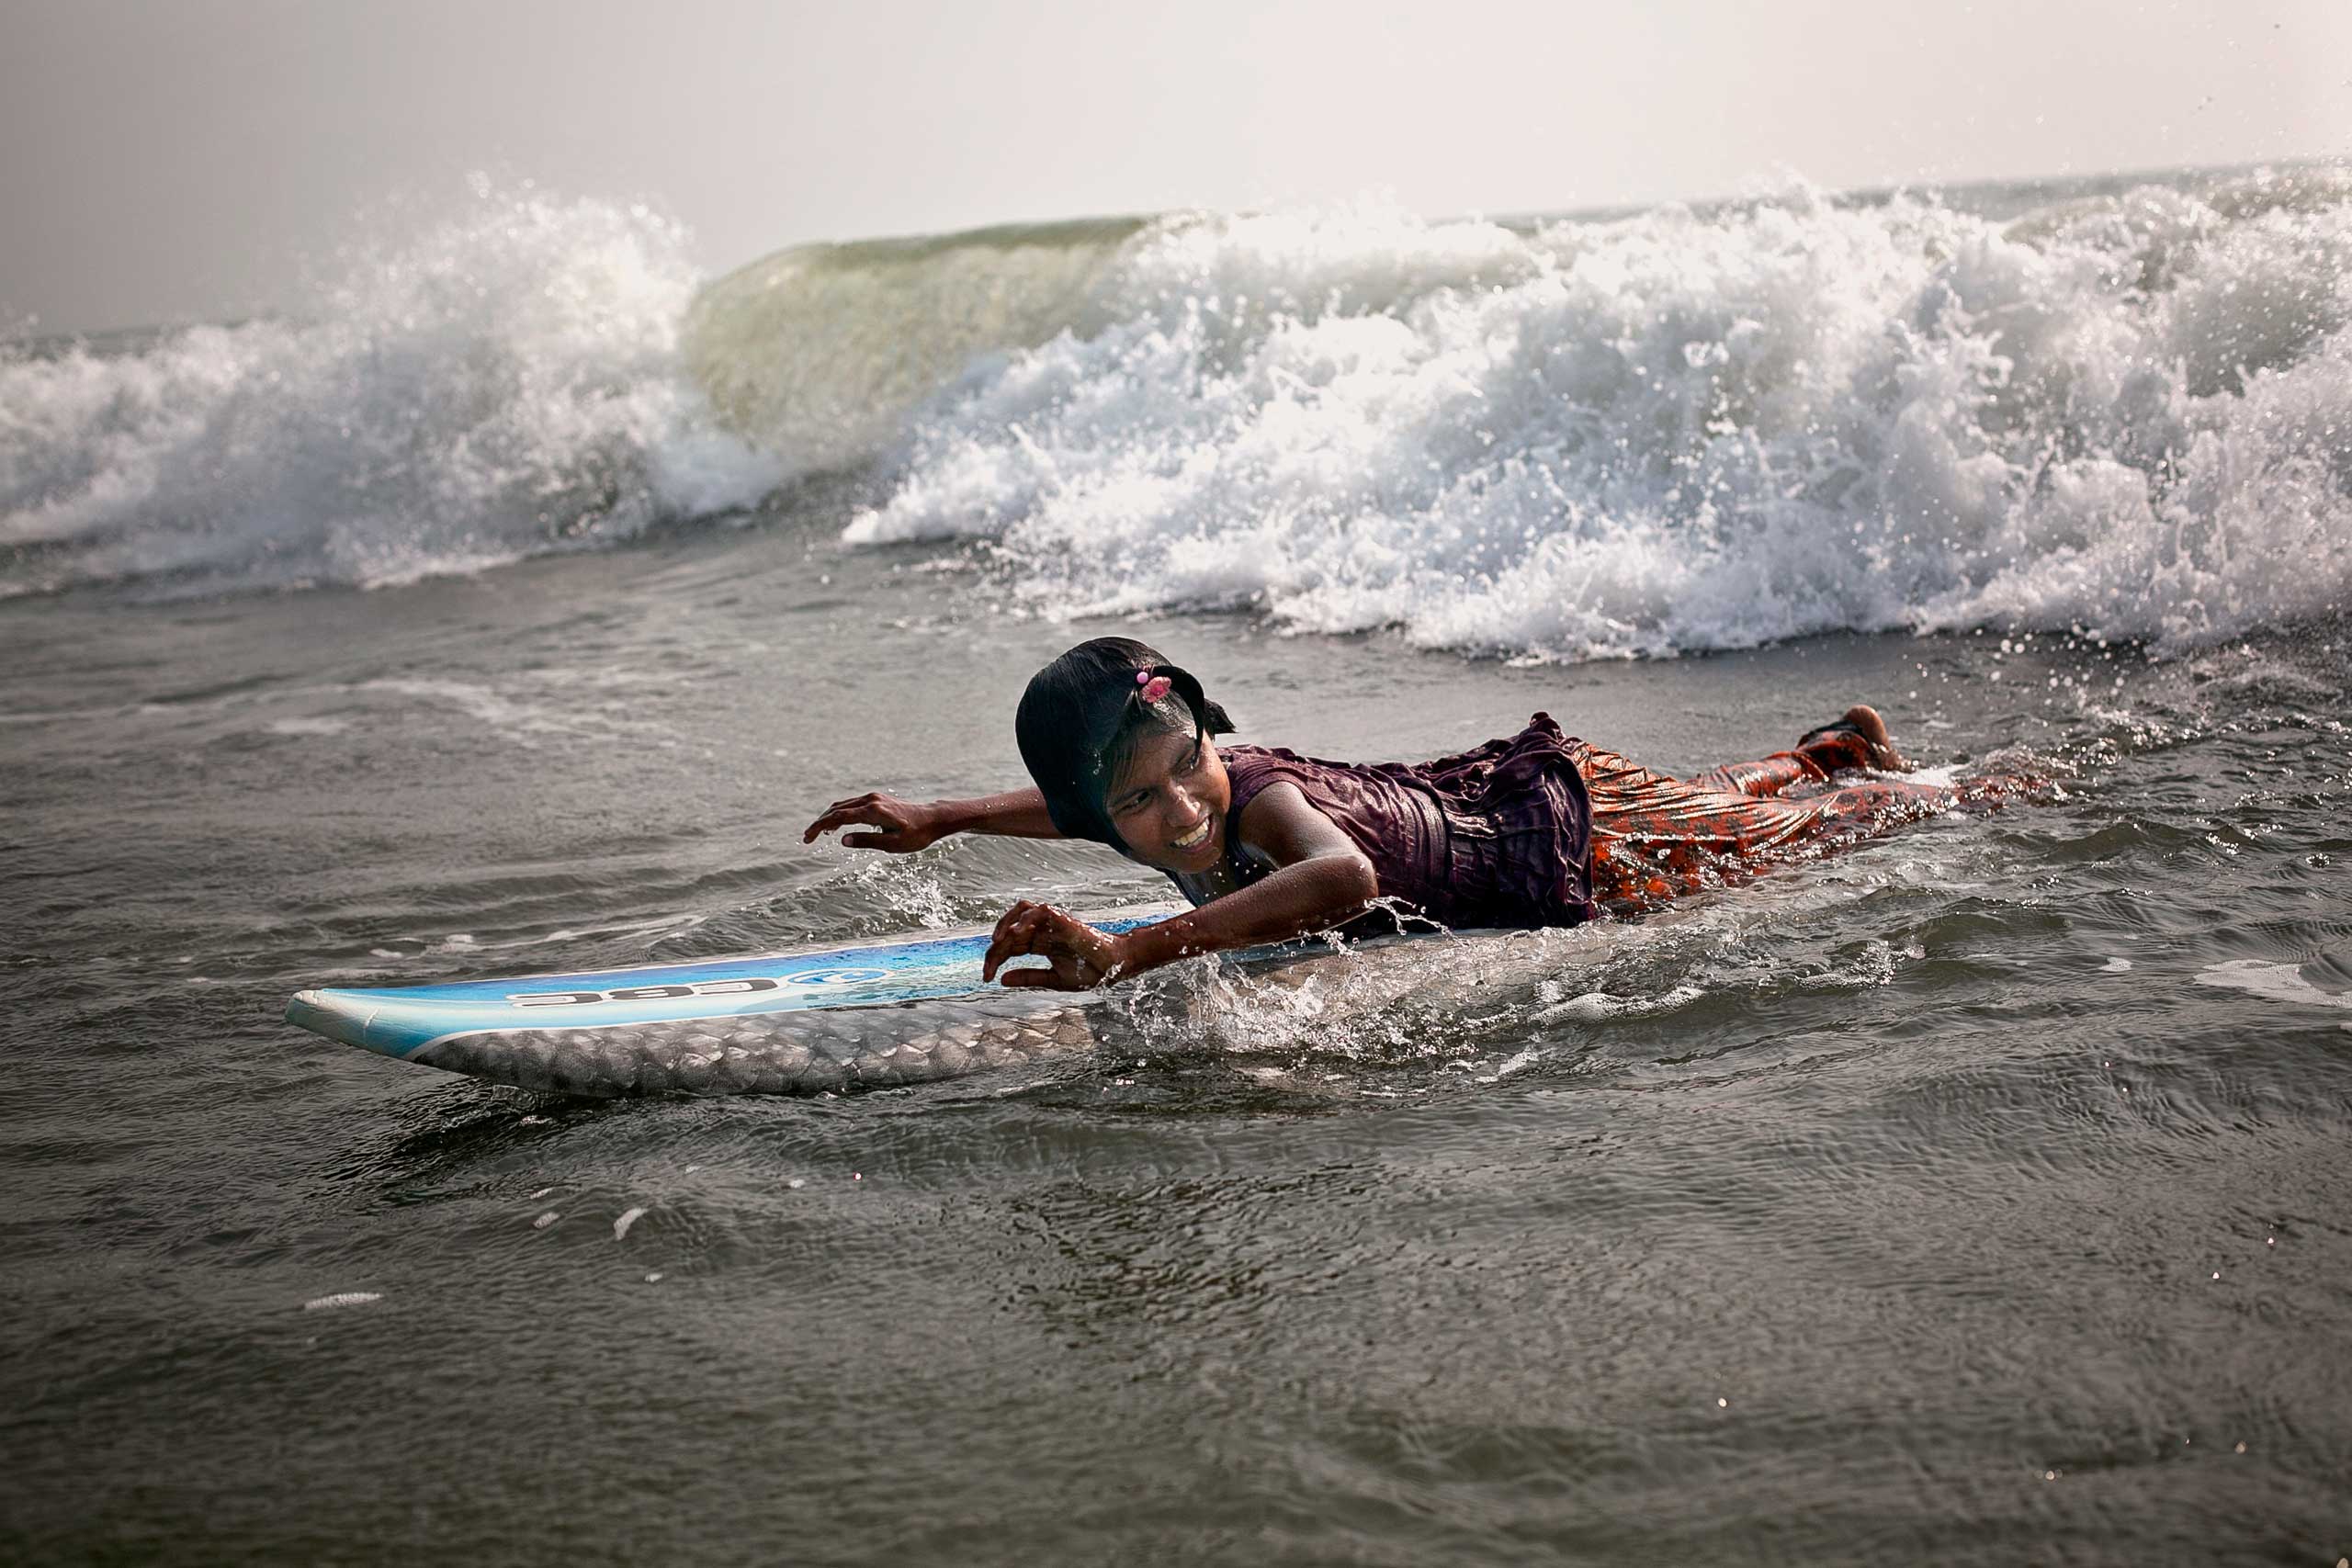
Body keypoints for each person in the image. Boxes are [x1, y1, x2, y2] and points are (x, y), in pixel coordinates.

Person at [800, 637, 2017, 991]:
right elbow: (1073, 809)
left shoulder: (1258, 800)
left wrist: (1131, 948)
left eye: (1188, 766)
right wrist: (946, 818)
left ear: (1210, 736)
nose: (1176, 807)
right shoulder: (1133, 806)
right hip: (1495, 795)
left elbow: (1341, 883)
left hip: (1558, 837)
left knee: (1787, 850)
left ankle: (1958, 783)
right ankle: (1822, 752)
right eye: (1136, 801)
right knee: (1713, 803)